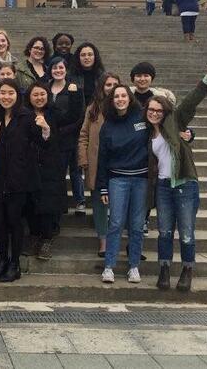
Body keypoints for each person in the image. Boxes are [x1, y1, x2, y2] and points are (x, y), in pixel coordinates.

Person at [150, 67, 207, 292]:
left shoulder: (175, 121)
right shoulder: (147, 131)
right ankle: (164, 269)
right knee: (165, 231)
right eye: (151, 109)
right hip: (163, 186)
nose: (154, 113)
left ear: (166, 110)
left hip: (184, 183)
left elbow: (191, 102)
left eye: (158, 110)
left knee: (186, 232)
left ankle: (187, 270)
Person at [0, 80, 51, 283]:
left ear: (17, 95)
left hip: (18, 179)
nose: (6, 97)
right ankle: (2, 261)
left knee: (14, 221)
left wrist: (45, 129)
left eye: (10, 93)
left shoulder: (26, 116)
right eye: (2, 93)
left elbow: (42, 143)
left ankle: (15, 264)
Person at [24, 81, 82, 259]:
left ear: (48, 96)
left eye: (42, 94)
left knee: (48, 204)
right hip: (29, 165)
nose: (39, 98)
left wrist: (74, 94)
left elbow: (73, 116)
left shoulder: (53, 113)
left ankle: (46, 239)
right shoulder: (24, 114)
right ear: (29, 97)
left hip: (51, 166)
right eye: (35, 95)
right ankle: (34, 236)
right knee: (31, 204)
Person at [97, 85, 148, 284]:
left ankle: (134, 266)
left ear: (130, 98)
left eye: (123, 95)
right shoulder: (107, 125)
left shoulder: (142, 118)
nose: (120, 99)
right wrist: (102, 186)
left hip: (141, 179)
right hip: (117, 179)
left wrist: (188, 133)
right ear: (112, 101)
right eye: (116, 96)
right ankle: (109, 266)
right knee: (116, 223)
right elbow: (102, 158)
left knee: (137, 225)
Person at [78, 72, 122, 257]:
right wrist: (83, 159)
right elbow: (83, 135)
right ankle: (103, 240)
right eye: (108, 84)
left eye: (115, 84)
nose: (111, 88)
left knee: (119, 203)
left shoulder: (125, 106)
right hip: (97, 163)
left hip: (119, 163)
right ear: (102, 87)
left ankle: (116, 238)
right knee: (99, 204)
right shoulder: (93, 108)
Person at [47, 57, 86, 218]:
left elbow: (80, 115)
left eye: (61, 67)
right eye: (54, 68)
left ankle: (80, 201)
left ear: (66, 69)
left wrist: (65, 130)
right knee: (58, 172)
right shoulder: (46, 87)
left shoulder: (74, 88)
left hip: (71, 136)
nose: (58, 70)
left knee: (75, 170)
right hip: (52, 137)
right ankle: (59, 203)